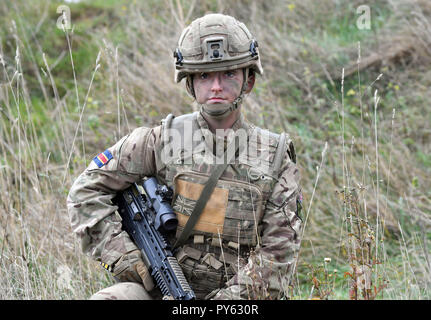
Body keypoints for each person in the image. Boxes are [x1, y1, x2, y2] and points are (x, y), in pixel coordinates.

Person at [67, 13, 302, 300]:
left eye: (228, 74)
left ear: (248, 80)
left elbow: (278, 254)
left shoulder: (275, 157)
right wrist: (127, 260)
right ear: (190, 83)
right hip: (160, 289)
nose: (216, 86)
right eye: (204, 75)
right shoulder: (161, 140)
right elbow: (86, 191)